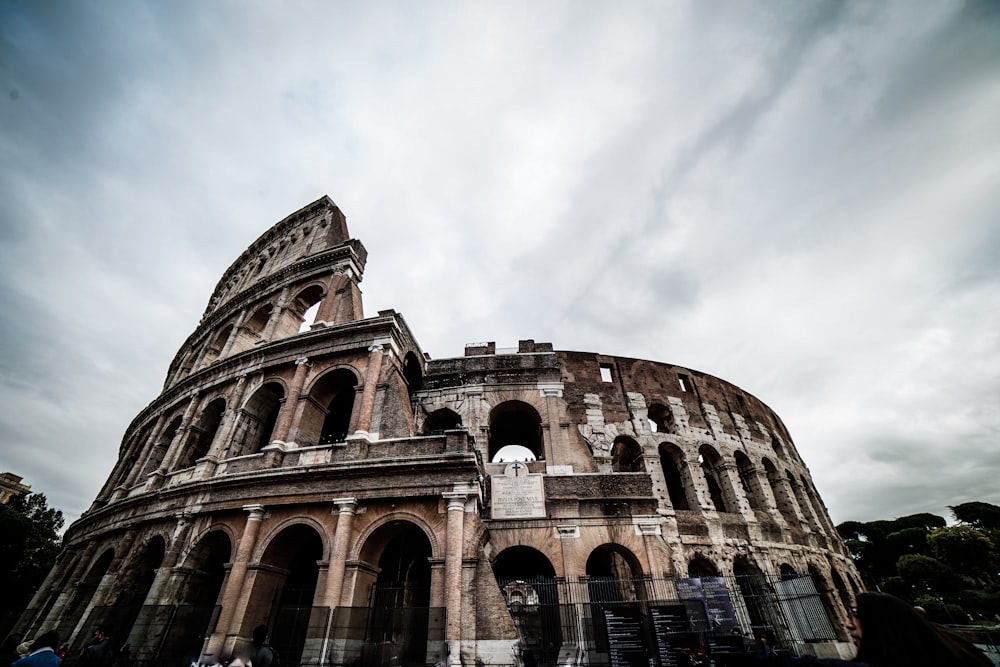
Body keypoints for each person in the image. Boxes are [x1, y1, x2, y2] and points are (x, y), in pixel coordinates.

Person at [728, 591, 993, 667]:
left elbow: (799, 664)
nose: (847, 623)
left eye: (854, 614)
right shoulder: (964, 654)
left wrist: (734, 648)